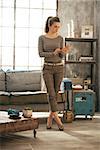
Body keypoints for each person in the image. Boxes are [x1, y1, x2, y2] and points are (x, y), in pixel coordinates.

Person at [38, 16, 70, 131]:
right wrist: (53, 53)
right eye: (55, 26)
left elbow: (61, 56)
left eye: (58, 27)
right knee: (51, 93)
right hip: (47, 68)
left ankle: (50, 118)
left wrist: (64, 52)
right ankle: (57, 118)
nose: (57, 29)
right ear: (49, 25)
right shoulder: (42, 38)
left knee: (55, 94)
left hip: (59, 68)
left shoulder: (60, 38)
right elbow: (41, 54)